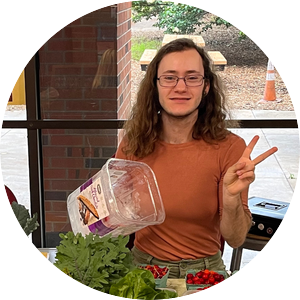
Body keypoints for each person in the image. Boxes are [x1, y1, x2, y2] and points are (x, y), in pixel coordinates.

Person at [115, 38, 277, 278]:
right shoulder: (133, 143)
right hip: (141, 269)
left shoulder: (230, 148)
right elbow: (115, 223)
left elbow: (235, 238)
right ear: (155, 85)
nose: (180, 87)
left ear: (206, 86)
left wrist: (231, 198)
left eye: (192, 77)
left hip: (203, 273)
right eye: (169, 77)